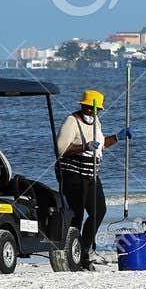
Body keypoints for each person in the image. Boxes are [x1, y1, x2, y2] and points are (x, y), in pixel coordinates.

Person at [56, 89, 125, 267]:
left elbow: (100, 146)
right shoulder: (72, 121)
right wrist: (83, 146)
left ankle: (84, 249)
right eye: (87, 109)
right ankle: (74, 255)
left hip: (91, 175)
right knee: (76, 216)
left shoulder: (96, 122)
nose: (90, 113)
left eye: (94, 110)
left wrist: (117, 137)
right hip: (73, 176)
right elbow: (60, 149)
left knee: (98, 211)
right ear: (82, 106)